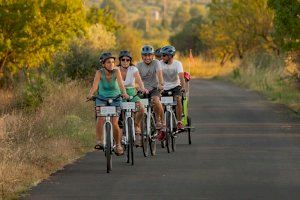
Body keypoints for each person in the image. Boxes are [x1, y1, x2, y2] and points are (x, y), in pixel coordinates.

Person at [87, 52, 129, 156]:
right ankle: (99, 141)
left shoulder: (116, 71)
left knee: (114, 122)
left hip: (116, 98)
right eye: (108, 62)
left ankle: (118, 145)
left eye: (113, 62)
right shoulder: (99, 73)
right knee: (100, 118)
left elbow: (120, 84)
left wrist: (124, 93)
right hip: (101, 98)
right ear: (103, 64)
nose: (111, 64)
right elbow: (95, 86)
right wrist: (90, 94)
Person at [136, 45, 165, 140]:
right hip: (142, 89)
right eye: (145, 55)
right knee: (138, 107)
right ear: (142, 56)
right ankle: (138, 128)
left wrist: (161, 83)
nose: (147, 57)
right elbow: (136, 79)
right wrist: (138, 88)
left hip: (154, 88)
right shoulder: (139, 65)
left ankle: (159, 120)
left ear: (153, 56)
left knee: (155, 100)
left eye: (149, 55)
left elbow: (159, 74)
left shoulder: (156, 63)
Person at [118, 50, 147, 146]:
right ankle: (119, 134)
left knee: (142, 108)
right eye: (123, 59)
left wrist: (142, 88)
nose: (125, 61)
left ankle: (136, 125)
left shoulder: (133, 69)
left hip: (131, 92)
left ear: (130, 61)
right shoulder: (115, 69)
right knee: (117, 112)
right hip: (118, 93)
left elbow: (138, 80)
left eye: (127, 60)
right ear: (120, 60)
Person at [160, 45, 185, 130]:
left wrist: (183, 86)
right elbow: (157, 76)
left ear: (170, 56)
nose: (162, 57)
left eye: (164, 55)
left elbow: (181, 76)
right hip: (164, 87)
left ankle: (179, 122)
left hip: (175, 86)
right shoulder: (160, 64)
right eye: (161, 55)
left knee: (178, 99)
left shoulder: (177, 64)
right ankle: (162, 123)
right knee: (160, 103)